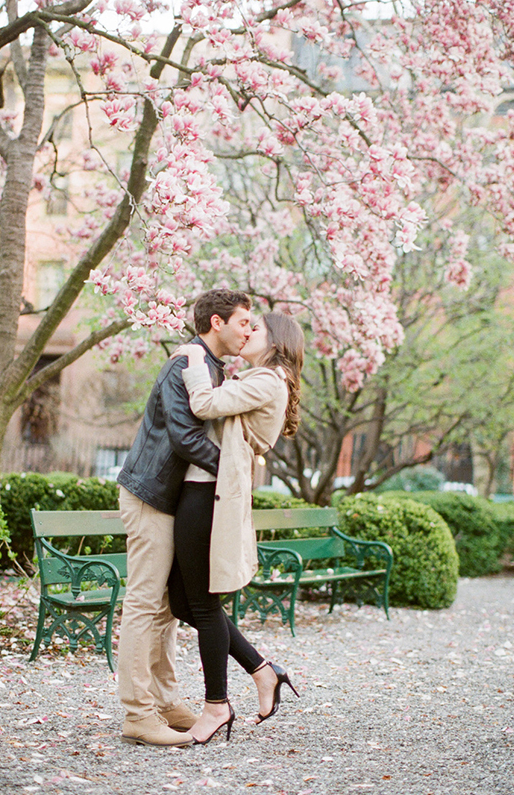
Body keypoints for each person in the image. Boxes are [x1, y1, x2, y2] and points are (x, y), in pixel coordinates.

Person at [116, 289, 253, 748]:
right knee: (143, 604)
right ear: (217, 322)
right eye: (242, 323)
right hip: (150, 493)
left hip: (170, 498)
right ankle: (138, 713)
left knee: (164, 610)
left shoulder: (206, 366)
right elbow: (182, 435)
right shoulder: (186, 363)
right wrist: (232, 470)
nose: (247, 332)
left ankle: (167, 702)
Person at [167, 311, 305, 745]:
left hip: (211, 495)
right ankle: (264, 671)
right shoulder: (261, 378)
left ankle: (216, 706)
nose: (246, 332)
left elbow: (204, 405)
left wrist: (192, 359)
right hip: (205, 490)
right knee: (182, 602)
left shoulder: (267, 381)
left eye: (255, 328)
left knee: (202, 605)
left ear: (276, 340)